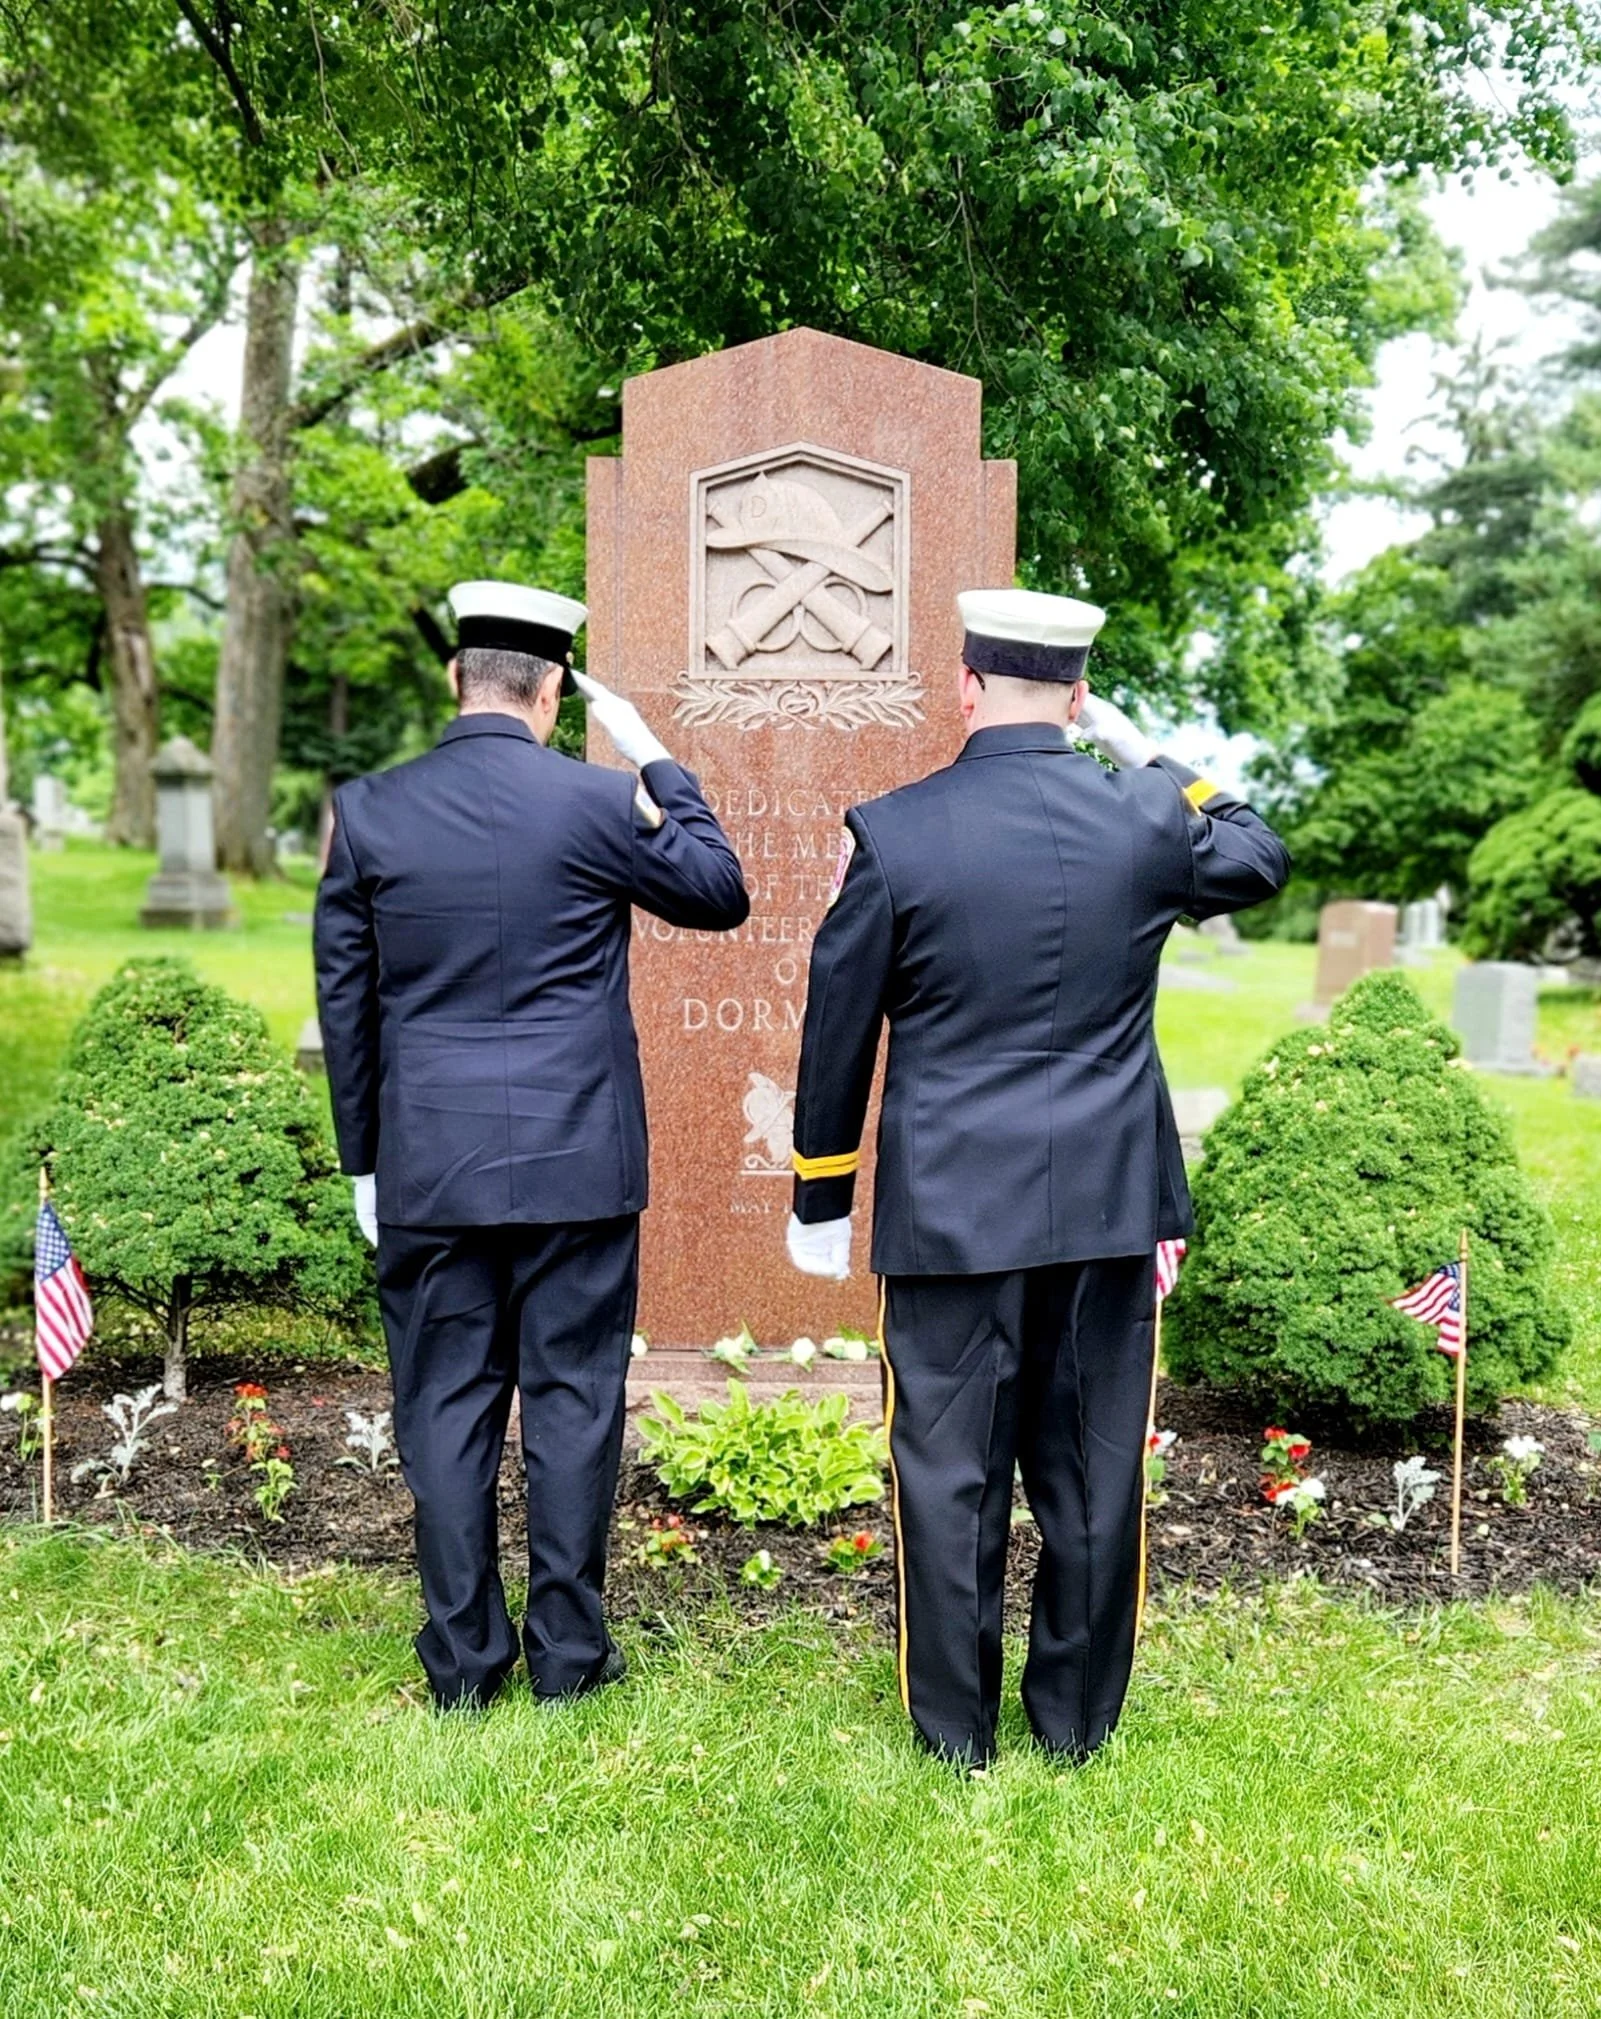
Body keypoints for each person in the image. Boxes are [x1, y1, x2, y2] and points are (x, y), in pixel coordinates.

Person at [785, 587, 1290, 1768]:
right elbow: (1259, 851)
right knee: (1091, 1467)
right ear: (1074, 694)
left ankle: (955, 1730)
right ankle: (1071, 1724)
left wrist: (820, 1193)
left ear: (963, 685)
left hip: (953, 1210)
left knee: (948, 1469)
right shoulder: (1145, 822)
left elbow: (836, 1026)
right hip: (1107, 1202)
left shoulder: (897, 831)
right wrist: (1148, 756)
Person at [315, 581, 749, 1711]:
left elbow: (345, 1006)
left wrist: (363, 1159)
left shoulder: (368, 810)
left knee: (446, 1404)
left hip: (431, 1164)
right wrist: (658, 763)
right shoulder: (599, 806)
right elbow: (719, 890)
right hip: (576, 1161)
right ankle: (567, 1655)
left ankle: (463, 1661)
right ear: (554, 689)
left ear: (453, 678)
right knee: (572, 1401)